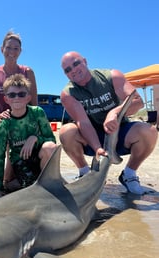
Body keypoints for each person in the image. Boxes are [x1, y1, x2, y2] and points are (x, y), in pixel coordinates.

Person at [59, 51, 158, 195]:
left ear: (85, 61)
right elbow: (83, 122)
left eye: (76, 63)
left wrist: (115, 112)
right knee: (66, 131)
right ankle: (86, 174)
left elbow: (137, 102)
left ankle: (129, 175)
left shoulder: (112, 76)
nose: (73, 70)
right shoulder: (68, 93)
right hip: (92, 135)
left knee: (149, 131)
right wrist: (98, 148)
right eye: (67, 70)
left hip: (120, 130)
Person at [0, 30, 38, 192]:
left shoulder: (27, 72)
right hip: (0, 117)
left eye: (16, 48)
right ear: (2, 49)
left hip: (21, 118)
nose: (12, 52)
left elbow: (34, 102)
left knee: (10, 179)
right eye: (8, 48)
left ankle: (8, 171)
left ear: (20, 51)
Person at [0, 73, 56, 200]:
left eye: (21, 94)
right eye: (12, 95)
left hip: (39, 157)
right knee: (31, 189)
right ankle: (14, 183)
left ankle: (50, 180)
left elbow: (51, 139)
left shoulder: (37, 113)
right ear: (6, 99)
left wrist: (35, 138)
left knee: (50, 147)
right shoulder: (5, 124)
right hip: (20, 161)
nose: (17, 98)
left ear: (28, 97)